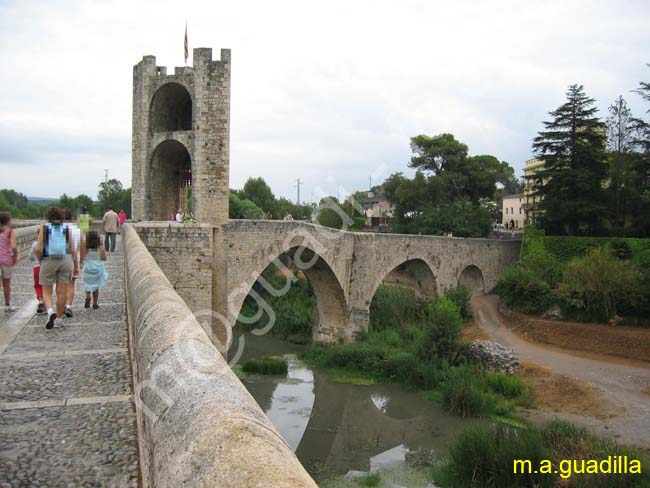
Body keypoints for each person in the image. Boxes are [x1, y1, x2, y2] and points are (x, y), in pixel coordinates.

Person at [36, 207, 78, 329]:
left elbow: (38, 249)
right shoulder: (66, 228)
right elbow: (72, 248)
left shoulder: (45, 228)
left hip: (49, 259)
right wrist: (75, 264)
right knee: (62, 291)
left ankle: (50, 311)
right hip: (65, 259)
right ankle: (59, 319)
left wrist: (41, 261)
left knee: (47, 290)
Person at [80, 231, 108, 309]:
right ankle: (95, 303)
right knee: (96, 287)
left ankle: (88, 296)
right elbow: (104, 258)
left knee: (87, 284)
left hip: (88, 268)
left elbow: (82, 257)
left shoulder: (86, 247)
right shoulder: (100, 247)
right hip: (97, 269)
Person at [63, 208, 81, 318]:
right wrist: (78, 262)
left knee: (61, 285)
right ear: (71, 218)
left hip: (59, 259)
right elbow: (78, 247)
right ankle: (68, 306)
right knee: (71, 284)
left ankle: (61, 305)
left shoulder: (57, 229)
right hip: (73, 259)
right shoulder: (77, 230)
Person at [0, 212, 18, 313]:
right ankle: (7, 305)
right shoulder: (10, 232)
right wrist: (15, 255)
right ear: (8, 221)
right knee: (6, 284)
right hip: (6, 260)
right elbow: (13, 246)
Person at [28, 231, 45, 314]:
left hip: (36, 267)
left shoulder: (35, 244)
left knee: (38, 285)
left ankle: (40, 299)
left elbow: (30, 255)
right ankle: (46, 305)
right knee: (46, 286)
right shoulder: (48, 244)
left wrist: (34, 262)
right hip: (46, 267)